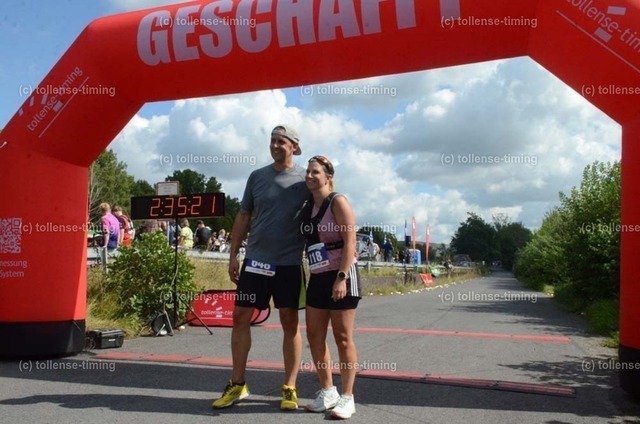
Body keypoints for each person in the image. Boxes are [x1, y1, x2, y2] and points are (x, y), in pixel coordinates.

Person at [212, 124, 310, 411]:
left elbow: (323, 209)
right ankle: (237, 384)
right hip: (256, 261)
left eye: (281, 141)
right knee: (240, 317)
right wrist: (233, 255)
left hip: (289, 263)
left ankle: (289, 387)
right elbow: (244, 215)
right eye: (272, 140)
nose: (275, 145)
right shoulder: (257, 176)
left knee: (289, 321)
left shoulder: (306, 179)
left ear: (294, 146)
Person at [301, 155, 361, 419]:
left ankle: (348, 397)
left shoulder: (338, 202)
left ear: (328, 177)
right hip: (318, 274)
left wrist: (342, 277)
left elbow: (350, 242)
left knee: (343, 337)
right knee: (314, 334)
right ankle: (328, 391)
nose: (309, 175)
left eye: (315, 172)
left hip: (341, 274)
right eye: (307, 171)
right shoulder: (307, 206)